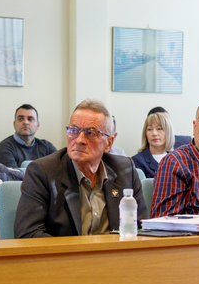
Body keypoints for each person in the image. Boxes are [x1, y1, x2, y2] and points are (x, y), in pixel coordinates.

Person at [14, 99, 145, 238]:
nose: (79, 140)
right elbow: (28, 234)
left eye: (90, 133)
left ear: (109, 143)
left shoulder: (125, 170)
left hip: (116, 251)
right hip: (68, 252)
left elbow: (141, 230)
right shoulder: (42, 172)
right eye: (73, 131)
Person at [131, 111, 174, 178]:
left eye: (159, 128)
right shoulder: (136, 161)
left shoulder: (176, 159)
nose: (154, 133)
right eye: (149, 129)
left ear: (168, 132)